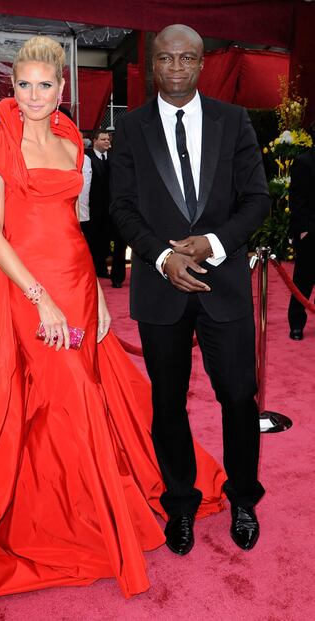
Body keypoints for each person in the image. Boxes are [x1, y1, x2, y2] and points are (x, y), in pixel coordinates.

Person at [0, 36, 226, 619]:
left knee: (82, 397)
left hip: (76, 284)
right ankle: (75, 521)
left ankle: (73, 506)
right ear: (13, 87)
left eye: (43, 85)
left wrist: (94, 295)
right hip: (29, 291)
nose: (31, 95)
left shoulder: (72, 142)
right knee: (58, 399)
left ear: (61, 89)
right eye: (21, 84)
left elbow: (74, 228)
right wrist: (41, 300)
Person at [111, 24, 270, 556]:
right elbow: (122, 208)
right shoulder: (132, 129)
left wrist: (211, 244)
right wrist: (162, 257)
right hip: (160, 289)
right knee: (168, 403)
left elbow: (256, 201)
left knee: (237, 397)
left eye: (186, 58)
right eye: (164, 58)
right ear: (151, 65)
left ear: (203, 64)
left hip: (223, 283)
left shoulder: (234, 121)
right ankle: (180, 504)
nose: (175, 67)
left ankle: (244, 497)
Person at [287, 122, 315, 340]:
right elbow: (297, 201)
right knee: (302, 281)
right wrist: (303, 231)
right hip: (310, 234)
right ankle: (296, 324)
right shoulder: (303, 162)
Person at [84, 129, 112, 277]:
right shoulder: (87, 158)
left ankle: (102, 269)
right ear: (95, 141)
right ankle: (93, 268)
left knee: (106, 239)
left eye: (108, 139)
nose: (107, 142)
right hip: (92, 208)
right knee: (92, 239)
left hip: (110, 208)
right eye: (103, 139)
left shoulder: (113, 158)